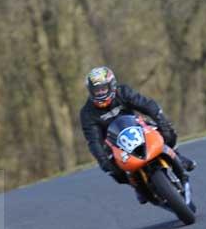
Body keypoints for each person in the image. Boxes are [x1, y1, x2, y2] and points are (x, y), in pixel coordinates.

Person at [80, 66, 196, 204]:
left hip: (137, 128)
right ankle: (136, 185)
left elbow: (147, 105)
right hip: (114, 143)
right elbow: (93, 141)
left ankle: (178, 156)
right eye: (96, 90)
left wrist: (161, 121)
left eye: (103, 88)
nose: (100, 93)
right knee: (114, 172)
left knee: (167, 133)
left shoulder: (123, 92)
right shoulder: (87, 113)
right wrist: (103, 161)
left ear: (112, 85)